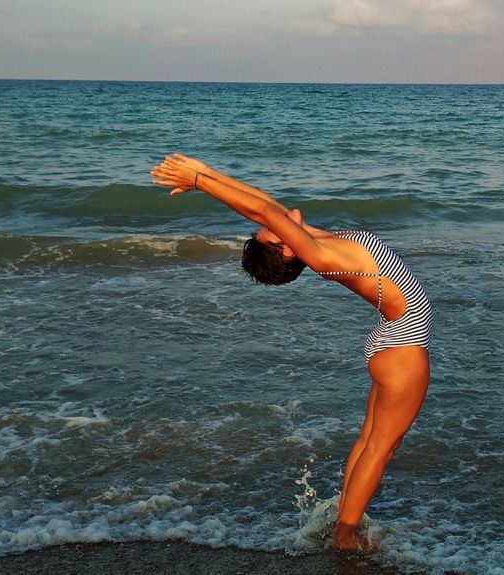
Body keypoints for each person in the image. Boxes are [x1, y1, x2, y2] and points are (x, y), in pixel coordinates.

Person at [151, 154, 433, 552]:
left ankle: (345, 520)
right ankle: (346, 536)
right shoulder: (319, 254)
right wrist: (199, 179)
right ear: (286, 250)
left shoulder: (317, 243)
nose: (269, 225)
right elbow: (265, 209)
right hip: (403, 345)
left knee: (371, 440)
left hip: (394, 339)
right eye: (271, 233)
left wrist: (209, 175)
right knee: (381, 448)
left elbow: (265, 204)